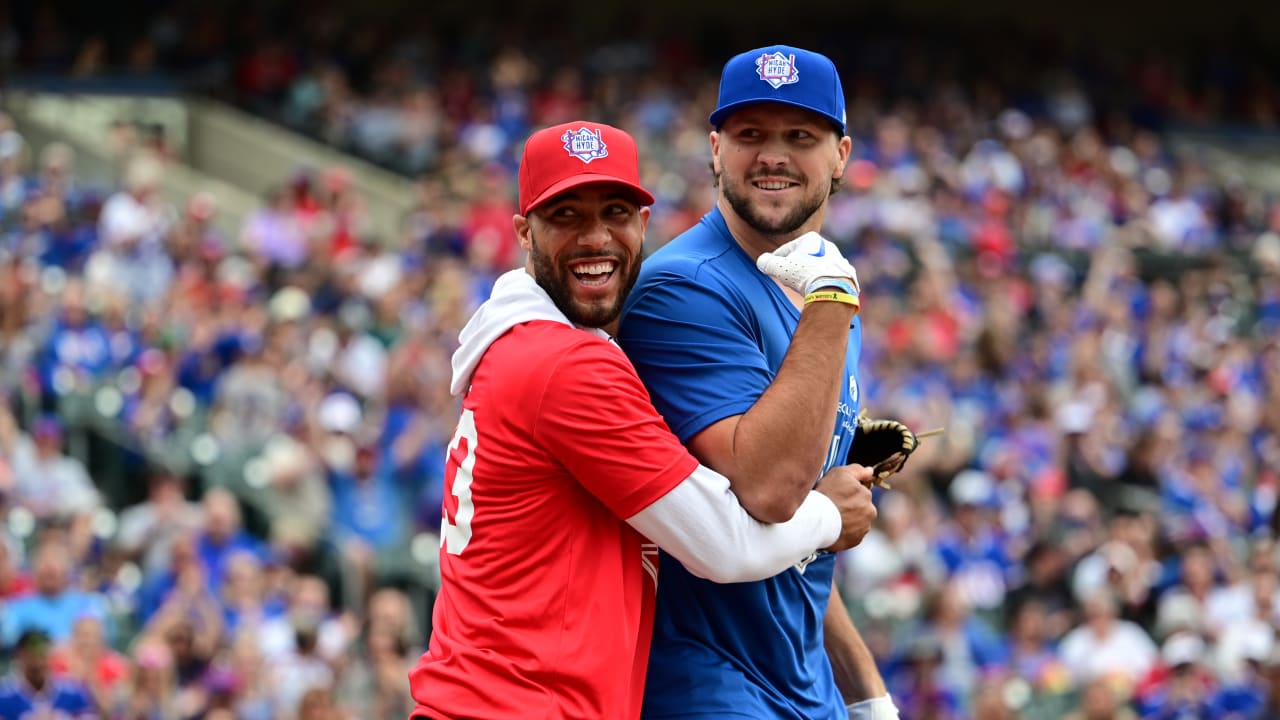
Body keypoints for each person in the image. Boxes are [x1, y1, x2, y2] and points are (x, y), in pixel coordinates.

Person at [407, 120, 879, 720]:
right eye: (566, 216)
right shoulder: (565, 364)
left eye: (615, 211)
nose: (596, 237)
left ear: (644, 224)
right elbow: (724, 546)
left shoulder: (530, 343)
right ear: (525, 233)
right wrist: (826, 514)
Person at [618, 44, 898, 719]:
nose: (772, 154)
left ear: (841, 154)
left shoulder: (819, 286)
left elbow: (807, 547)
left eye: (799, 135)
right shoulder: (688, 285)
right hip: (708, 683)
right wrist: (834, 299)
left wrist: (868, 697)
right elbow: (774, 494)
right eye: (750, 135)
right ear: (715, 149)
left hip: (800, 687)